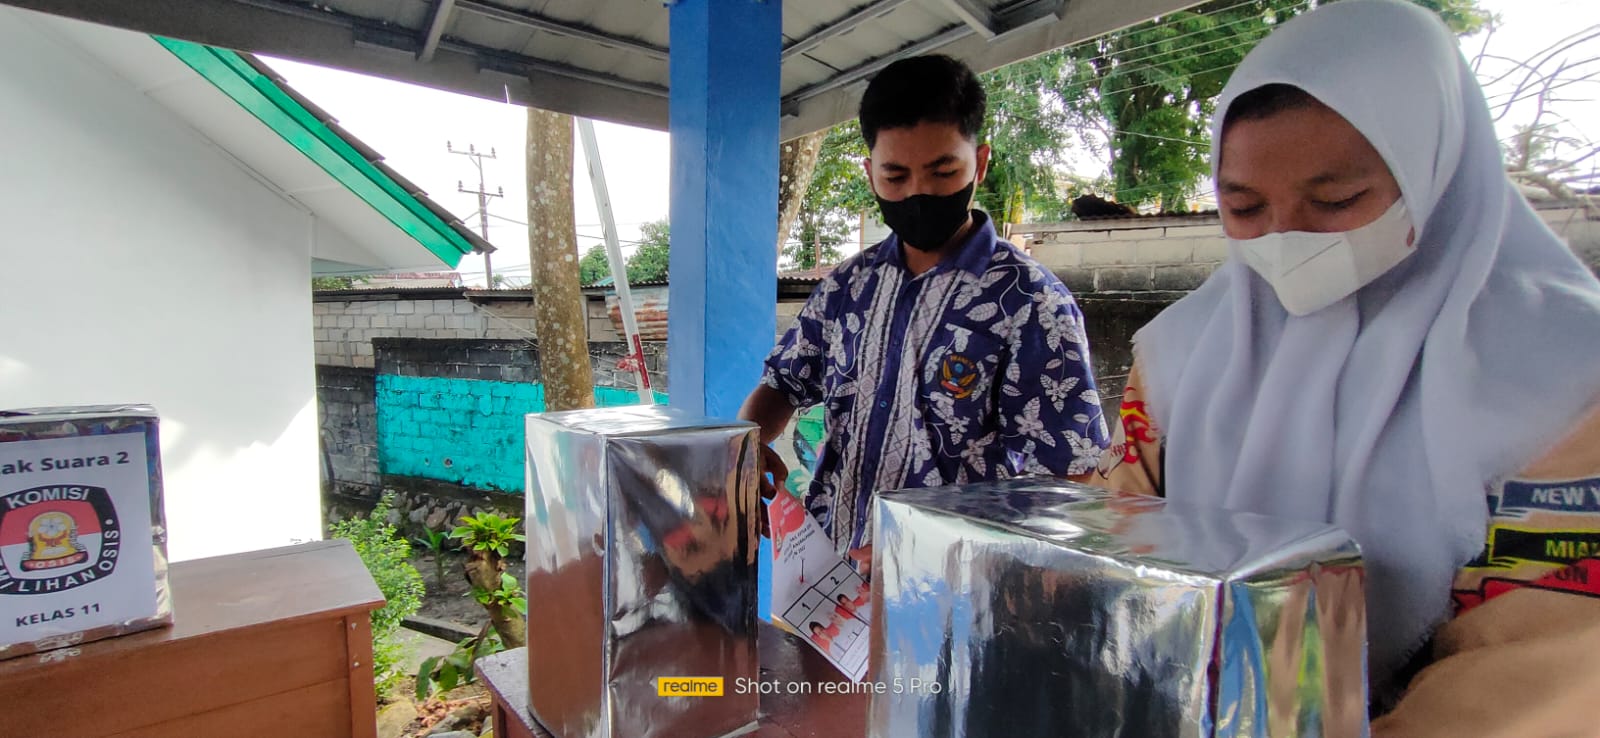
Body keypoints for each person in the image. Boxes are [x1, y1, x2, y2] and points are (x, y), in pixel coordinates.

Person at [1093, 1, 1600, 733]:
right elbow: (1115, 541)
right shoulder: (1181, 355)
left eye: (1335, 200)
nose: (1285, 236)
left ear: (1435, 172)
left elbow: (1544, 674)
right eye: (1244, 206)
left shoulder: (1568, 379)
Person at [741, 55, 1109, 575]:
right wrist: (746, 448)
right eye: (895, 176)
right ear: (870, 173)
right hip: (827, 576)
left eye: (943, 172)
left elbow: (1071, 477)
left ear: (980, 163)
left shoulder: (1030, 302)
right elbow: (782, 382)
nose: (919, 193)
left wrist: (930, 552)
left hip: (950, 595)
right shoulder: (848, 287)